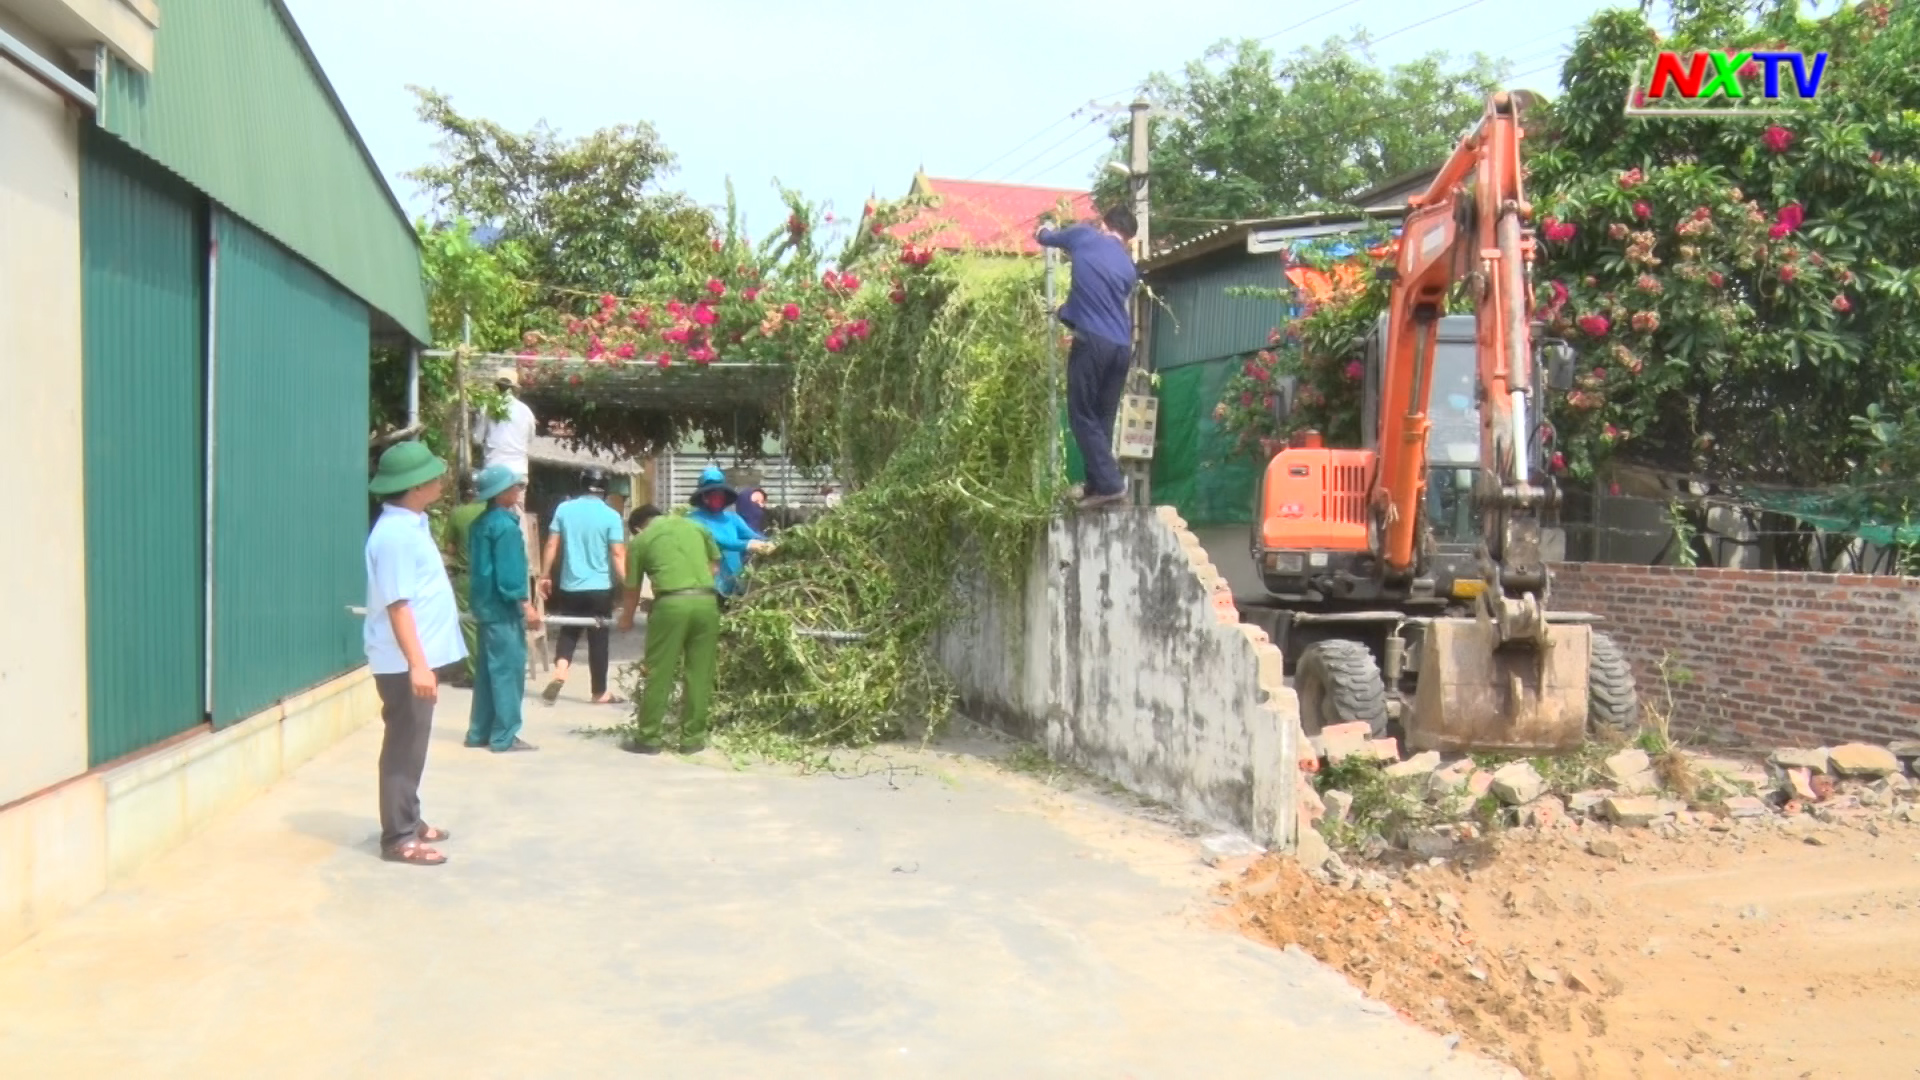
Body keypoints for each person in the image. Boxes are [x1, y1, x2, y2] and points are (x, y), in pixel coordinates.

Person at [364, 442, 466, 867]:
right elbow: (398, 604)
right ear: (416, 486)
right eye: (434, 474)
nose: (441, 479)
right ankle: (399, 837)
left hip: (413, 659)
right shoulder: (393, 536)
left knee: (414, 745)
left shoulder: (412, 526)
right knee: (405, 747)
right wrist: (418, 665)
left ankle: (411, 817)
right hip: (404, 662)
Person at [1036, 204, 1140, 509]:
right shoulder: (1128, 267)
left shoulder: (1084, 236)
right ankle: (1098, 486)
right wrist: (1065, 311)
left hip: (1092, 342)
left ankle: (1110, 484)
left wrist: (1043, 227)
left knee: (1081, 415)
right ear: (1129, 238)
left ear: (1105, 225)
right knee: (1102, 419)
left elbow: (1046, 238)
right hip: (1121, 346)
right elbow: (1099, 300)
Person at [618, 504, 723, 754]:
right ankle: (692, 739)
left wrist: (627, 618)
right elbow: (715, 565)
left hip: (672, 605)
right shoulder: (697, 526)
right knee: (699, 673)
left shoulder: (641, 541)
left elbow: (631, 588)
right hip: (707, 602)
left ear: (636, 527)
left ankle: (649, 738)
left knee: (659, 672)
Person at [465, 465, 542, 753]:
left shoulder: (481, 523)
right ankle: (504, 736)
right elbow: (510, 573)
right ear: (501, 493)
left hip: (484, 607)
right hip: (504, 609)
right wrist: (526, 605)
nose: (519, 491)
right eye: (515, 487)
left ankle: (479, 733)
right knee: (508, 673)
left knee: (487, 673)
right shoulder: (506, 527)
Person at [538, 467, 627, 705]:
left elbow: (551, 546)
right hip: (600, 588)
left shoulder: (564, 510)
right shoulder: (611, 516)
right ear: (604, 489)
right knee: (599, 639)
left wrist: (544, 575)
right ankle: (599, 692)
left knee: (568, 631)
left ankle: (561, 670)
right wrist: (630, 586)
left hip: (570, 585)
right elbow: (618, 554)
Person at [686, 465, 771, 599]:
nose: (717, 498)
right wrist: (747, 545)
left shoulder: (732, 519)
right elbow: (717, 540)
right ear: (703, 496)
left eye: (719, 494)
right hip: (709, 585)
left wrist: (770, 542)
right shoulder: (694, 520)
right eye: (712, 494)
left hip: (736, 584)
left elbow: (752, 535)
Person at [444, 477, 489, 688]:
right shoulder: (491, 510)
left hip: (466, 576)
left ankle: (474, 673)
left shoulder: (457, 514)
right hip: (490, 575)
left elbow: (450, 549)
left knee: (469, 624)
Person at [474, 366, 537, 486]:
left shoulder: (487, 408)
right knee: (517, 504)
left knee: (494, 504)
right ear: (515, 389)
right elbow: (530, 439)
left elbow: (477, 439)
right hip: (518, 471)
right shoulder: (526, 411)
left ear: (496, 387)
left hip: (494, 470)